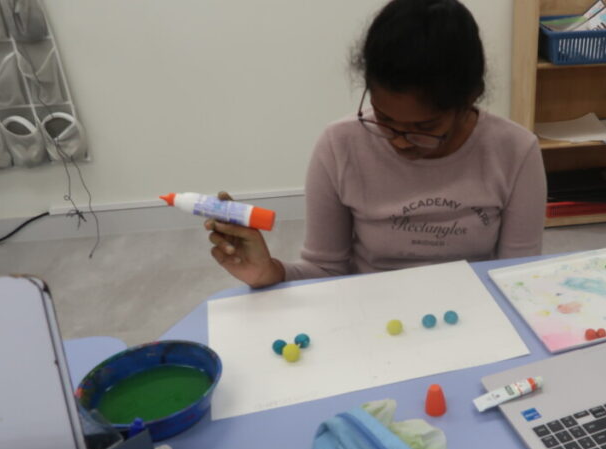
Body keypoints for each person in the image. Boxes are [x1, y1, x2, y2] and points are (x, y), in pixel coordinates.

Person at [206, 0, 546, 288]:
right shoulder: (340, 146)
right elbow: (325, 270)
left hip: (477, 311)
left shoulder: (515, 151)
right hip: (370, 316)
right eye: (384, 119)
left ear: (470, 98)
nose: (399, 141)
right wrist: (267, 272)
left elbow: (516, 276)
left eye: (425, 127)